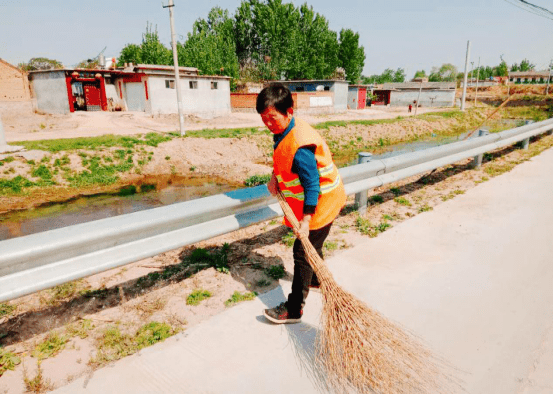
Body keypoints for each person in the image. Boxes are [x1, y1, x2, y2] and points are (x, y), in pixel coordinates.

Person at [257, 83, 346, 324]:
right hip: (320, 199)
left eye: (272, 118)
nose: (268, 124)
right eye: (264, 118)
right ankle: (316, 279)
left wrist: (306, 221)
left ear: (289, 112)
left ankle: (294, 309)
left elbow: (312, 186)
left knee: (302, 251)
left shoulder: (301, 147)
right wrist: (274, 177)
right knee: (312, 249)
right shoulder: (284, 131)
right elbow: (282, 157)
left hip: (321, 202)